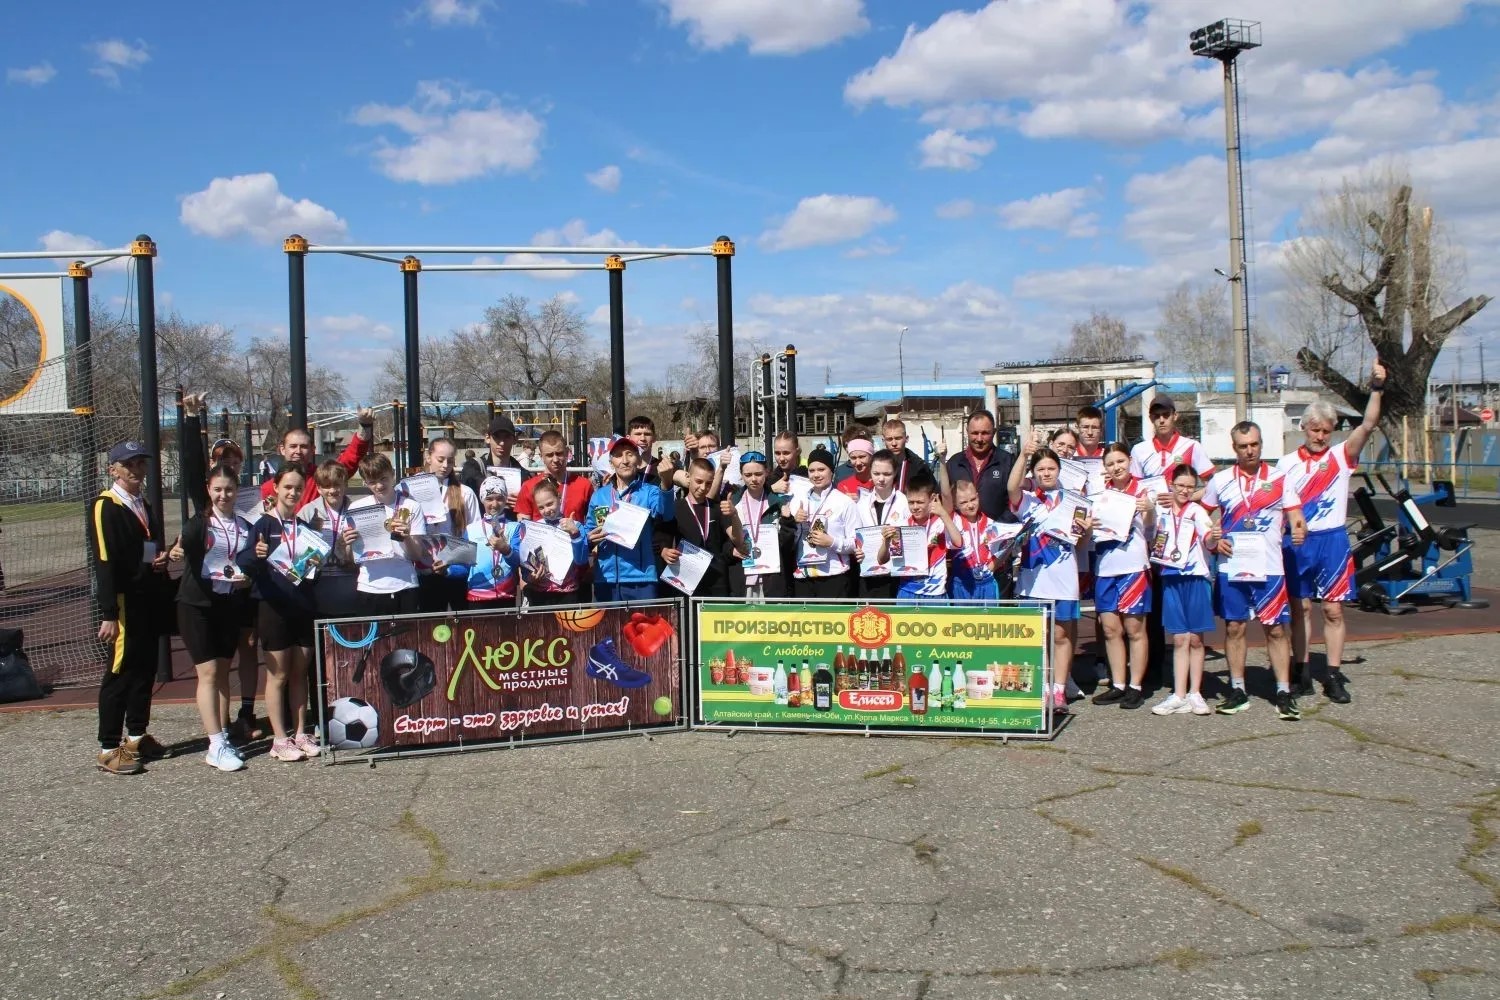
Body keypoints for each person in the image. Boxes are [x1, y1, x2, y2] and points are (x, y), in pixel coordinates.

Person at [1277, 362, 1386, 703]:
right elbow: (1274, 507)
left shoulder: (1342, 456)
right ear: (1304, 428)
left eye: (1327, 431)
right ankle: (1302, 671)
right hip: (1298, 543)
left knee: (1333, 610)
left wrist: (1377, 388)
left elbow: (1368, 424)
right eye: (1315, 430)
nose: (1321, 436)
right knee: (1300, 610)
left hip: (1333, 541)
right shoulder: (1286, 464)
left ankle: (1334, 675)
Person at [1202, 421, 1308, 721]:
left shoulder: (1279, 479)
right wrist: (1212, 539)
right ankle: (1237, 690)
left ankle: (1283, 691)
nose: (1249, 450)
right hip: (1233, 565)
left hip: (1269, 566)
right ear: (1233, 447)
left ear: (1261, 444)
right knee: (1234, 627)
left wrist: (1299, 528)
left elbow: (1296, 515)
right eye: (1243, 446)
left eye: (1254, 444)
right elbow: (1202, 516)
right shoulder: (1220, 480)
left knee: (1276, 629)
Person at [89, 440, 174, 775]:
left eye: (140, 463)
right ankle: (108, 746)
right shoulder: (106, 505)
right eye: (129, 465)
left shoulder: (142, 502)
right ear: (114, 470)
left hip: (147, 597)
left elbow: (147, 546)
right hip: (125, 602)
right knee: (120, 671)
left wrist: (157, 561)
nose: (136, 470)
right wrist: (109, 612)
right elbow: (105, 561)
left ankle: (136, 736)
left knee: (144, 668)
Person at [168, 463, 253, 772]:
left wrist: (248, 578)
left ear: (237, 491)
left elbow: (248, 563)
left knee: (222, 673)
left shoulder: (245, 526)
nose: (223, 495)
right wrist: (175, 551)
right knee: (208, 673)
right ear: (208, 490)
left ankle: (223, 735)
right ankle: (215, 745)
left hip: (227, 605)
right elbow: (180, 545)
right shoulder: (199, 524)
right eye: (217, 489)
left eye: (229, 490)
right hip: (197, 606)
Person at [240, 466, 322, 762]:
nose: (293, 493)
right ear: (275, 488)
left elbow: (310, 572)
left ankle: (300, 733)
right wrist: (256, 554)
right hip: (272, 607)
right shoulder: (263, 525)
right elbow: (244, 560)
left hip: (301, 606)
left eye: (298, 488)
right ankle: (279, 739)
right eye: (287, 487)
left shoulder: (305, 528)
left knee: (299, 672)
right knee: (279, 674)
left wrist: (316, 561)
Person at [1008, 441, 1091, 713]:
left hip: (1064, 577)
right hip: (1033, 579)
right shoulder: (1028, 501)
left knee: (1061, 634)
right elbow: (1011, 488)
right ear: (1033, 473)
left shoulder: (1074, 501)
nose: (1046, 473)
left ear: (1059, 470)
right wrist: (1024, 455)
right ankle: (1042, 687)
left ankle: (1059, 690)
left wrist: (1087, 531)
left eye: (1051, 468)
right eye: (1040, 469)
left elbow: (1080, 543)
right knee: (1039, 635)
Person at [1149, 465, 1220, 716]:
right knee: (1179, 638)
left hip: (1196, 576)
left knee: (1196, 638)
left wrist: (1214, 536)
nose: (1184, 491)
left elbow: (1208, 540)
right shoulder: (1162, 511)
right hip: (1171, 576)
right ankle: (1178, 694)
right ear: (1171, 484)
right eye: (1180, 485)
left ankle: (1195, 692)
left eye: (1190, 487)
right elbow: (1152, 535)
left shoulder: (1197, 511)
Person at [1090, 443, 1156, 710]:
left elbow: (1152, 531)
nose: (1116, 467)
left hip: (1133, 566)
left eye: (1120, 461)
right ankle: (1118, 684)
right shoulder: (1098, 494)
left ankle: (1135, 686)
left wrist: (1150, 509)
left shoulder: (1144, 490)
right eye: (1110, 464)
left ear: (1129, 460)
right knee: (1110, 629)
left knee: (1134, 629)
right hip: (1105, 567)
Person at [403, 437, 482, 614]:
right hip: (422, 571)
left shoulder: (465, 493)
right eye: (440, 459)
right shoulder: (409, 490)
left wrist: (451, 565)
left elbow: (475, 534)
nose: (445, 465)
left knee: (463, 625)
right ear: (428, 457)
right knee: (430, 625)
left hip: (456, 571)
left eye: (450, 461)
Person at [589, 437, 669, 603]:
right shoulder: (599, 496)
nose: (624, 460)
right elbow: (589, 531)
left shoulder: (650, 492)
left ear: (638, 460)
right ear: (611, 462)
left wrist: (666, 484)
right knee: (608, 622)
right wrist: (588, 539)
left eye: (630, 454)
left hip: (641, 579)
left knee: (644, 621)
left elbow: (666, 513)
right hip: (606, 580)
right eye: (618, 455)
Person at [346, 453, 426, 618]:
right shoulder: (357, 508)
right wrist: (347, 543)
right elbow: (351, 558)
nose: (379, 486)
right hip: (370, 586)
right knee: (372, 636)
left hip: (405, 585)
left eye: (383, 479)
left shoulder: (411, 506)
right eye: (372, 482)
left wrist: (407, 537)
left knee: (407, 635)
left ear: (393, 474)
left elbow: (417, 555)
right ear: (365, 482)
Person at [258, 411, 375, 512]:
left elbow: (352, 457)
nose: (298, 451)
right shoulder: (268, 488)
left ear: (313, 450)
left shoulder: (323, 477)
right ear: (282, 449)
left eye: (304, 447)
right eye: (293, 446)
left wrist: (364, 426)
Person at [662, 458, 742, 597]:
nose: (703, 487)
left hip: (716, 579)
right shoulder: (676, 508)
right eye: (699, 481)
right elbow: (663, 536)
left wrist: (734, 515)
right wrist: (664, 551)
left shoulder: (717, 508)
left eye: (708, 483)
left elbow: (737, 539)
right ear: (688, 477)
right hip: (685, 579)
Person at [786, 446, 858, 598]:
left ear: (831, 471)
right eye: (812, 470)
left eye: (821, 469)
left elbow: (855, 543)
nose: (816, 475)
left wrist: (832, 542)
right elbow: (789, 541)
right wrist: (793, 522)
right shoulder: (797, 501)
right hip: (803, 576)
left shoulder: (844, 502)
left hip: (833, 575)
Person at [517, 479, 590, 606]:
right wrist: (530, 576)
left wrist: (575, 534)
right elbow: (525, 561)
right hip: (540, 592)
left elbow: (581, 560)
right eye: (541, 507)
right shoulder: (533, 528)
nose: (546, 510)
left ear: (559, 499)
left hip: (567, 593)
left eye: (550, 504)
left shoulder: (575, 525)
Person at [730, 451, 791, 599]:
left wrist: (788, 521)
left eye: (758, 474)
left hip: (771, 579)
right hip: (743, 580)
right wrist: (731, 550)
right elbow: (722, 542)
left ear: (767, 472)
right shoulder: (732, 503)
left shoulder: (779, 503)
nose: (753, 479)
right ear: (741, 474)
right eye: (748, 475)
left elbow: (787, 545)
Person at [883, 468, 948, 603]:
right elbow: (882, 559)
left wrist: (944, 514)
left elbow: (958, 542)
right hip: (908, 591)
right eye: (911, 502)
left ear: (932, 499)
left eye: (920, 502)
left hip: (934, 592)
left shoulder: (941, 524)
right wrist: (886, 541)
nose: (915, 507)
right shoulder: (901, 525)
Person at [853, 449, 911, 600]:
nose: (881, 479)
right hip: (868, 573)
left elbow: (909, 537)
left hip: (895, 574)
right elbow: (855, 537)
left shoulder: (903, 502)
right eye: (876, 473)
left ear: (895, 473)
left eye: (887, 474)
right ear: (870, 472)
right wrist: (856, 549)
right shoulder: (862, 504)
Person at [945, 410, 1015, 523]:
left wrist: (996, 526)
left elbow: (1016, 502)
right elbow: (945, 499)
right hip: (961, 531)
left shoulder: (1007, 461)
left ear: (994, 432)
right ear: (967, 432)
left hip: (998, 530)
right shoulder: (954, 463)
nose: (979, 439)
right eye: (974, 433)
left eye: (985, 433)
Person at [464, 476, 522, 609]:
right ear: (482, 499)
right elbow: (464, 566)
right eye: (489, 499)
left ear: (506, 499)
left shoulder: (515, 527)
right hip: (478, 596)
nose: (494, 504)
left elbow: (518, 561)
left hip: (507, 595)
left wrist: (506, 549)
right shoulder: (470, 529)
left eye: (499, 498)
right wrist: (447, 570)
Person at [941, 479, 1004, 601]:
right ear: (955, 505)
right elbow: (945, 495)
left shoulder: (991, 524)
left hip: (987, 583)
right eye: (963, 502)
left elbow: (999, 554)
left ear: (978, 497)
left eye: (973, 499)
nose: (970, 505)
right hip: (962, 583)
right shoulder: (954, 522)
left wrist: (990, 569)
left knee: (988, 614)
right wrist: (943, 467)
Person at [1128, 397, 1214, 486]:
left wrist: (1189, 494)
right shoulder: (1138, 450)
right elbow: (1135, 486)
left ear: (1175, 416)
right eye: (1157, 416)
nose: (1161, 420)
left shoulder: (1192, 446)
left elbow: (1211, 485)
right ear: (1151, 418)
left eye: (1166, 415)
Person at [515, 430, 592, 522]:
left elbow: (593, 526)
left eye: (559, 453)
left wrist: (578, 530)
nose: (555, 459)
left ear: (567, 452)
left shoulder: (584, 485)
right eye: (549, 455)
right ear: (541, 457)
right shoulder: (528, 487)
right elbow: (522, 526)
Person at [459, 413, 526, 512]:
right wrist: (499, 494)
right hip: (482, 521)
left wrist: (523, 502)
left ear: (515, 439)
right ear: (487, 438)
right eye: (497, 437)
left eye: (507, 437)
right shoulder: (473, 467)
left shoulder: (522, 474)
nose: (502, 443)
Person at [882, 418, 930, 493]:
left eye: (898, 438)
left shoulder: (919, 467)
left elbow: (932, 493)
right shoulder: (877, 465)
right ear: (883, 441)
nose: (894, 443)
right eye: (889, 439)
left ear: (906, 439)